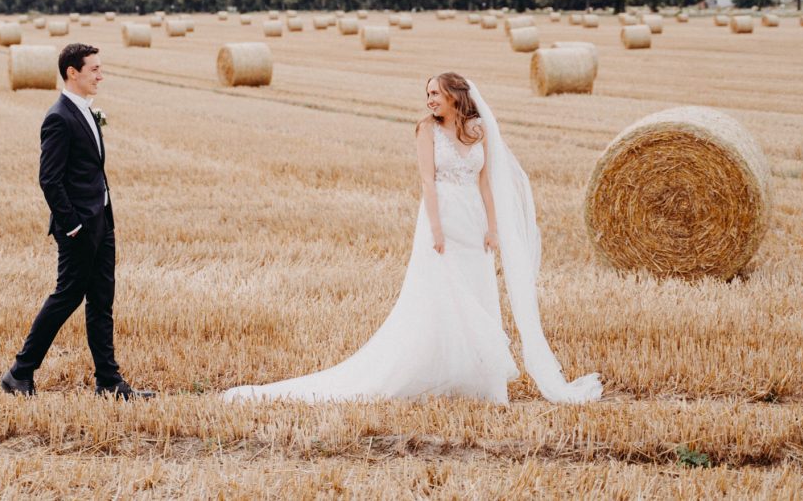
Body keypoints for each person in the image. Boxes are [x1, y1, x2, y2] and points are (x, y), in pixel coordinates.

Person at [223, 72, 602, 404]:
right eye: (428, 94)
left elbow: (485, 181)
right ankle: (428, 371)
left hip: (472, 221)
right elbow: (427, 181)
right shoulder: (426, 130)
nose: (430, 99)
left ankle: (479, 381)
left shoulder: (478, 129)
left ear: (455, 95)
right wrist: (436, 229)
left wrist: (492, 227)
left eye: (435, 93)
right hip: (442, 219)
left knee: (477, 293)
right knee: (440, 296)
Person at [1, 43, 154, 400]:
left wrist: (103, 220)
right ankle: (19, 372)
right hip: (79, 229)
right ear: (73, 72)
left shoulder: (85, 111)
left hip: (102, 222)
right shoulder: (59, 117)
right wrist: (72, 226)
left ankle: (109, 382)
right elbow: (49, 179)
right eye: (94, 69)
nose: (101, 76)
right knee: (66, 297)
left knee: (101, 302)